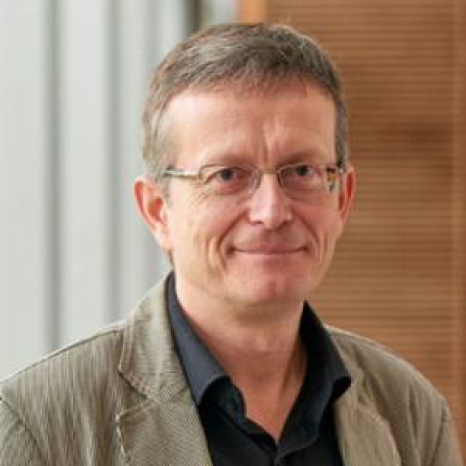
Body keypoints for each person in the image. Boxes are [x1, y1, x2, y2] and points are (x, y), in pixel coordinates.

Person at [0, 23, 463, 466]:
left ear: (341, 197)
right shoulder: (37, 424)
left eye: (301, 171)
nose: (271, 211)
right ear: (158, 210)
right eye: (226, 175)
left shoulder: (411, 413)